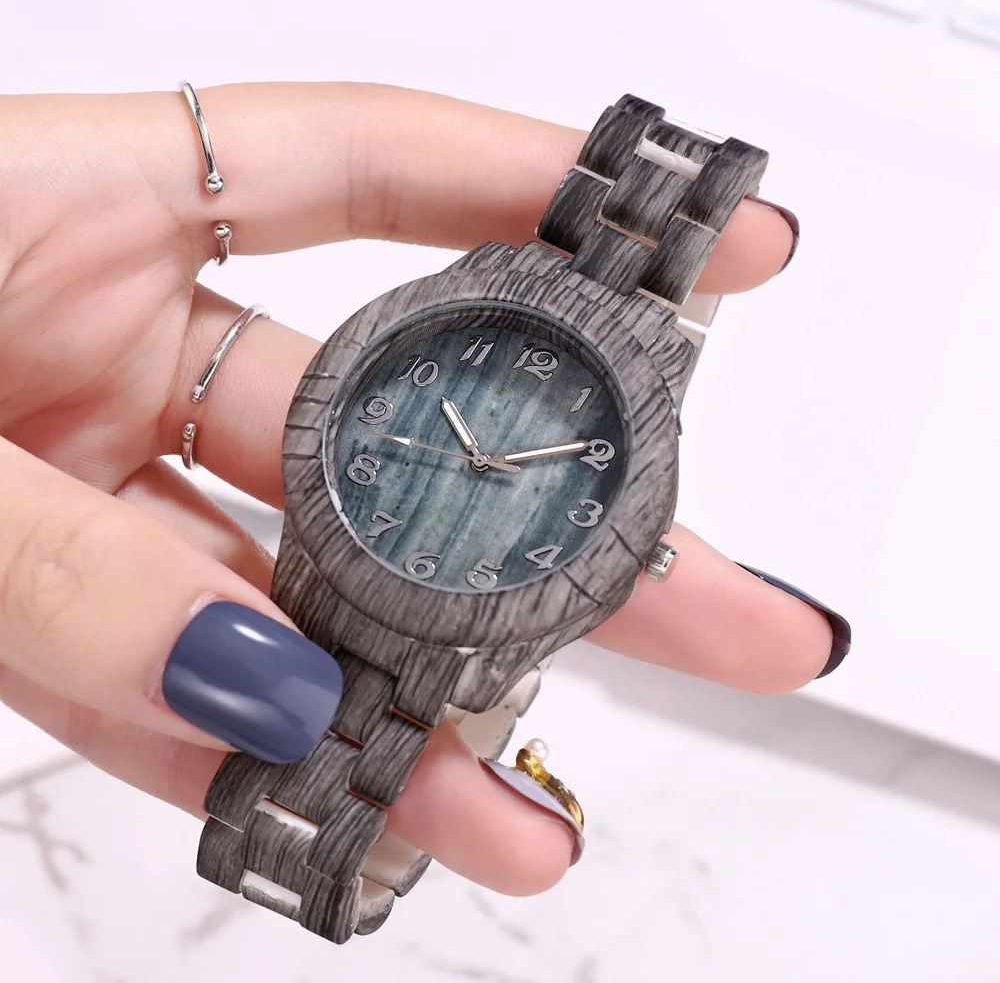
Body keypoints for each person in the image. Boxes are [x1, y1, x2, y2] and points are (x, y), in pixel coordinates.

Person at [0, 81, 847, 895]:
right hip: (344, 558)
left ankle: (310, 859)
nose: (483, 462)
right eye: (479, 453)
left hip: (434, 618)